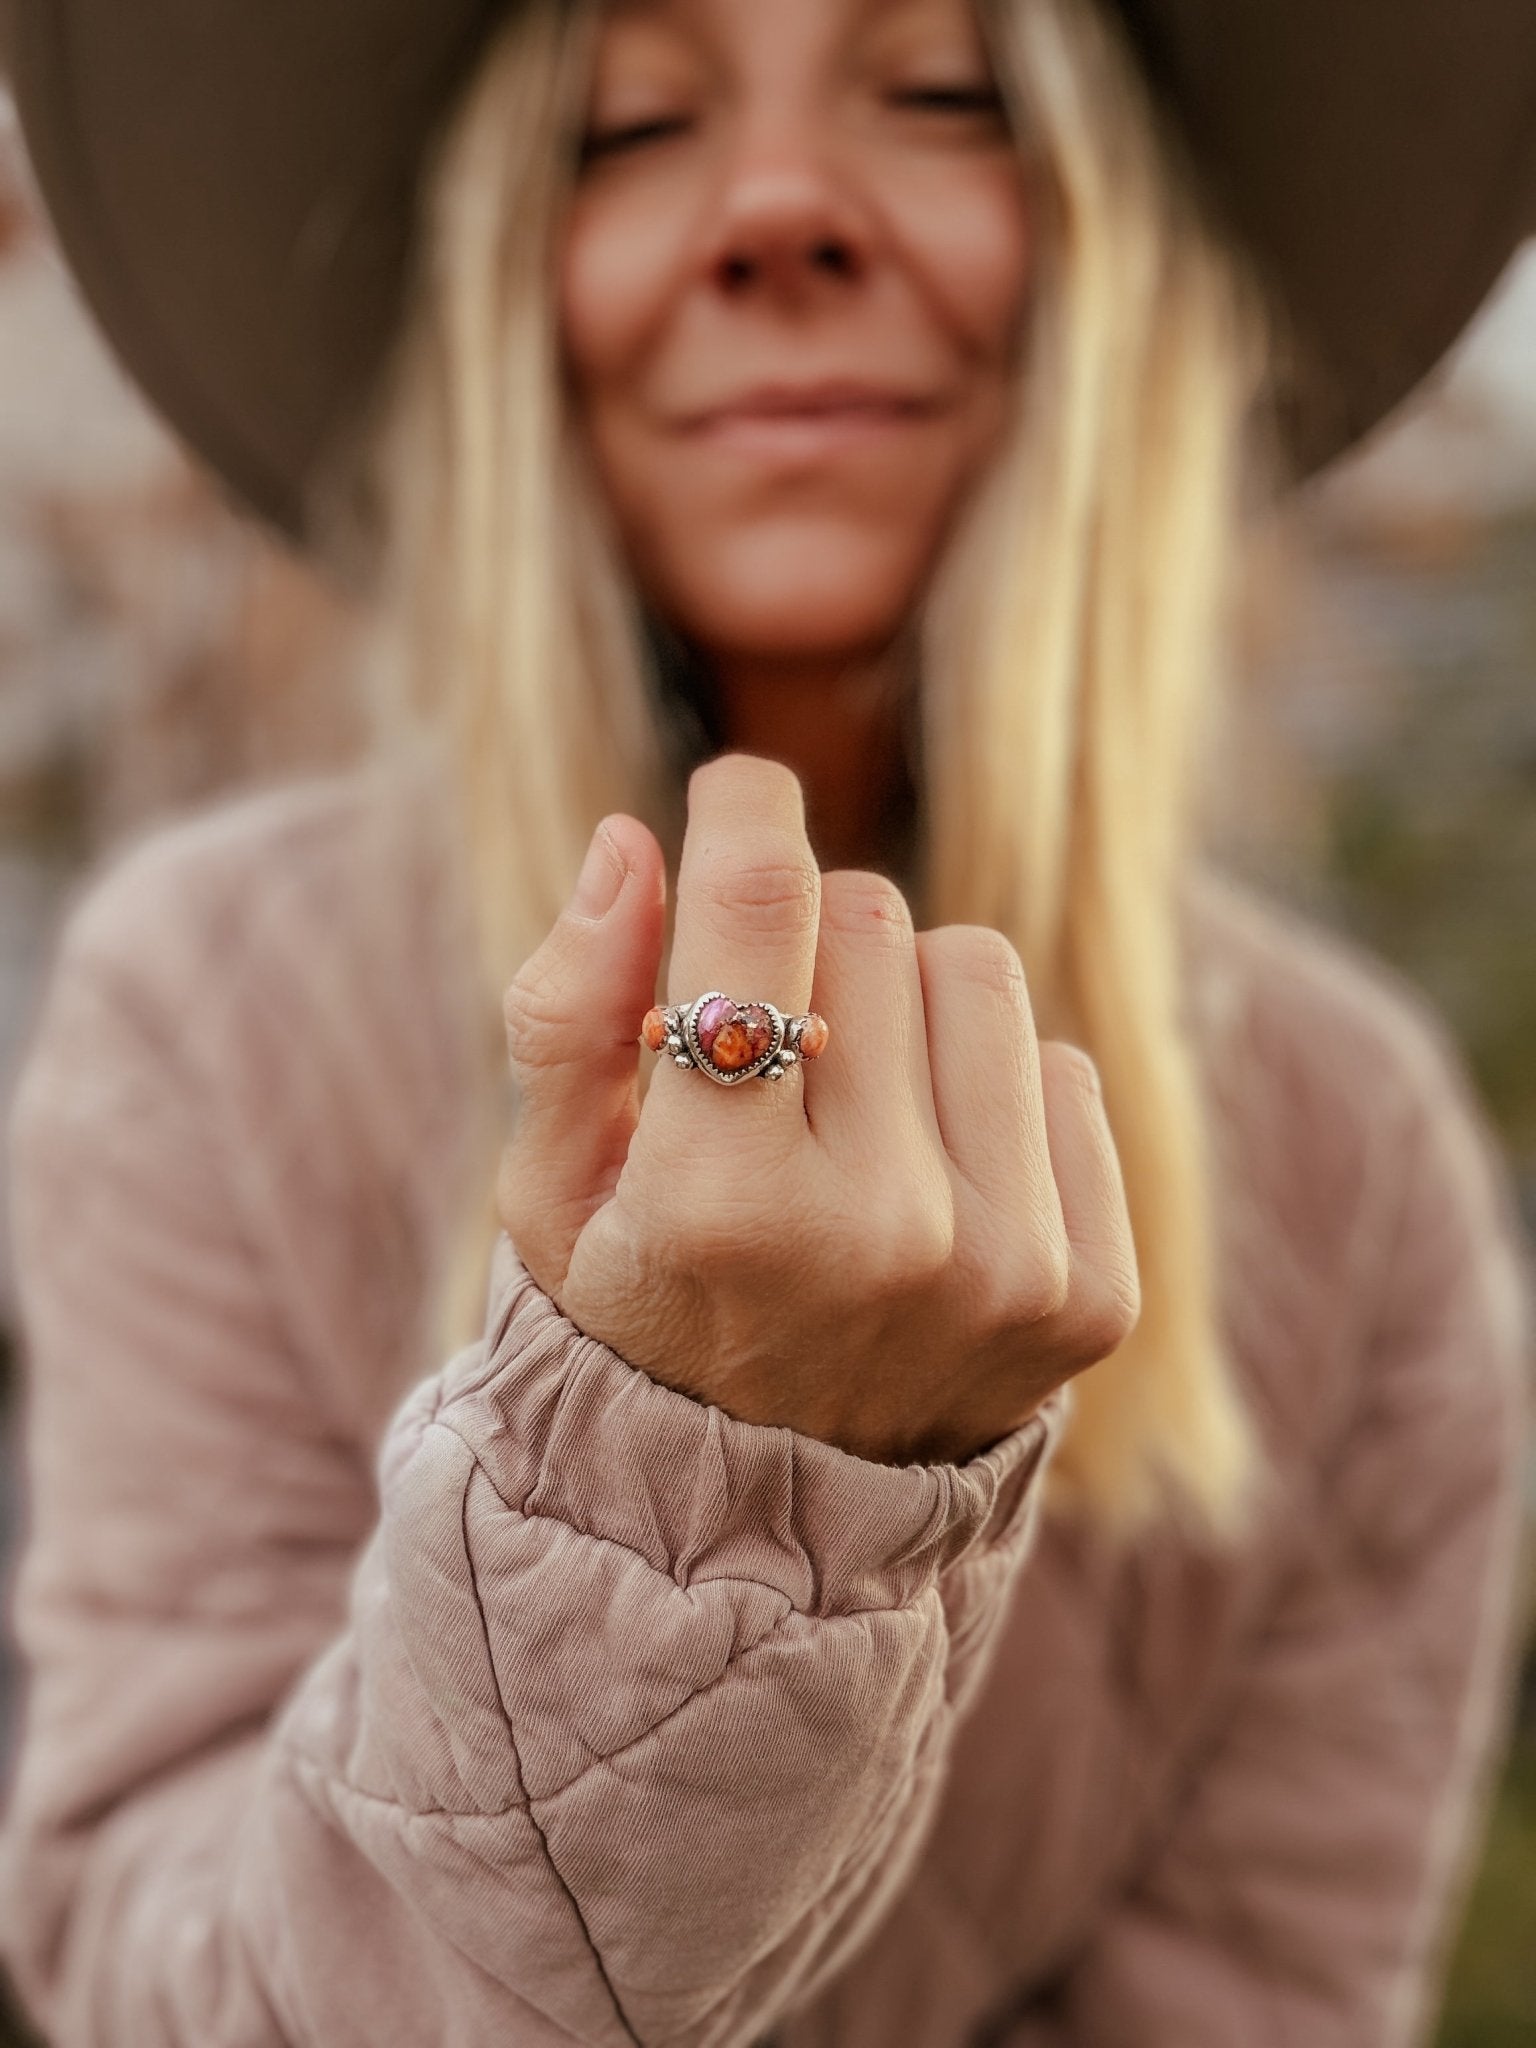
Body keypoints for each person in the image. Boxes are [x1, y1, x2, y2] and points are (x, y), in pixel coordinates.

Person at [0, 0, 1531, 2041]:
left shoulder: (1359, 1168)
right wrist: (669, 1472)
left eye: (939, 97)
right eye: (633, 127)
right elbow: (157, 1975)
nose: (781, 208)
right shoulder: (209, 1012)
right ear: (509, 290)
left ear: (1110, 259)